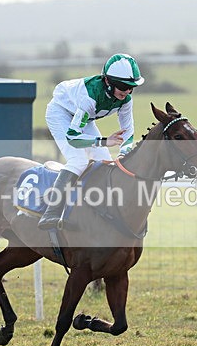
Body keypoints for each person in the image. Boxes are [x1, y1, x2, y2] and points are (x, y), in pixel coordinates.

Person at [37, 53, 144, 230]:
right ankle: (51, 212)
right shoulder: (90, 97)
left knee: (106, 162)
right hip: (61, 113)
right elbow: (73, 138)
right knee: (78, 160)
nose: (127, 92)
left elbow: (128, 131)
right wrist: (105, 141)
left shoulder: (126, 100)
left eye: (132, 88)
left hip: (85, 119)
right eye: (123, 86)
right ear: (108, 81)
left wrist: (124, 153)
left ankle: (95, 208)